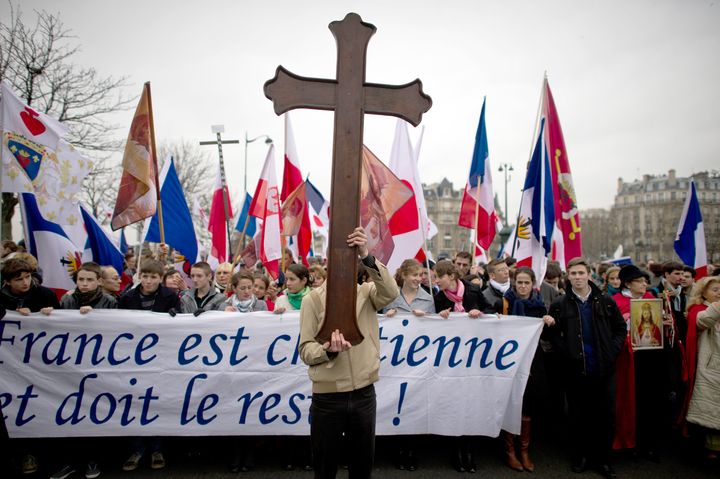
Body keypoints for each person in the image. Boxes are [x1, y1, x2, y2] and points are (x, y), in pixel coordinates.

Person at [299, 226, 398, 479]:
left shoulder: (366, 293)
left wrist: (367, 254)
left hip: (364, 393)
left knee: (362, 466)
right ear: (327, 263)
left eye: (349, 258)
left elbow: (390, 292)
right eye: (336, 258)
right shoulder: (312, 300)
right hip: (327, 397)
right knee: (324, 466)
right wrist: (326, 351)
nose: (342, 264)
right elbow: (305, 349)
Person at [547, 257, 626, 479]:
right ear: (567, 276)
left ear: (589, 275)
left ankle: (603, 460)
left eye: (581, 273)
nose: (578, 277)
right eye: (573, 274)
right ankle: (581, 456)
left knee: (604, 416)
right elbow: (552, 335)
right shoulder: (560, 304)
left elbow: (620, 329)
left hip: (603, 368)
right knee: (578, 415)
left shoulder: (606, 301)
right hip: (576, 369)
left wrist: (611, 351)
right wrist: (566, 352)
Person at [50, 262, 117, 479]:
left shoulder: (109, 301)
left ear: (99, 281)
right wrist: (47, 315)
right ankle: (68, 462)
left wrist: (95, 316)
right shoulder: (67, 300)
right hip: (71, 365)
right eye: (81, 280)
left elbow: (118, 330)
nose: (85, 284)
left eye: (90, 280)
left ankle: (93, 460)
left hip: (99, 365)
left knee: (93, 412)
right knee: (68, 412)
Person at [433, 260, 493, 473]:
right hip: (452, 359)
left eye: (439, 276)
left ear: (450, 276)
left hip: (475, 356)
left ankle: (469, 450)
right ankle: (456, 451)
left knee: (470, 403)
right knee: (455, 404)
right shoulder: (439, 298)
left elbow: (490, 309)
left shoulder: (473, 290)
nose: (436, 280)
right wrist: (439, 317)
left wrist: (478, 311)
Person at [119, 260, 180, 471]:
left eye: (153, 277)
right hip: (134, 359)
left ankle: (156, 448)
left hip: (161, 358)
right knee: (135, 402)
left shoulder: (170, 296)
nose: (148, 281)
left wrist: (175, 317)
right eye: (144, 276)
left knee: (155, 402)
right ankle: (137, 449)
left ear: (160, 278)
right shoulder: (127, 298)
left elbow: (181, 324)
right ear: (139, 276)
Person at [499, 267, 555, 473]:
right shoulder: (504, 303)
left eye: (526, 283)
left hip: (532, 362)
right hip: (509, 362)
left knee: (528, 405)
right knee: (511, 403)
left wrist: (549, 323)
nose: (522, 286)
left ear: (533, 284)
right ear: (514, 283)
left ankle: (524, 450)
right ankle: (510, 451)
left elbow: (546, 338)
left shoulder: (540, 307)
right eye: (519, 282)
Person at [382, 258, 435, 471]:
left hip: (418, 360)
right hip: (395, 359)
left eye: (421, 275)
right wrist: (387, 315)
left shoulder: (428, 298)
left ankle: (411, 449)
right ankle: (398, 449)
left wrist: (428, 318)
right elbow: (380, 324)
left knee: (413, 402)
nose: (418, 279)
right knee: (396, 402)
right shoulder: (391, 297)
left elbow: (436, 331)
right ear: (403, 276)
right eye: (414, 275)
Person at [612, 264, 661, 459]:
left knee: (648, 401)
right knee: (627, 400)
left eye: (645, 280)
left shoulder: (651, 300)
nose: (644, 284)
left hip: (650, 357)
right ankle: (626, 442)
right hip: (626, 359)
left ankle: (647, 444)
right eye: (639, 281)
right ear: (627, 283)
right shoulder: (615, 302)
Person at [685, 276, 720, 461]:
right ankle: (708, 449)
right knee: (710, 411)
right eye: (715, 289)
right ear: (703, 292)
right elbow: (704, 321)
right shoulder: (699, 310)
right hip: (709, 367)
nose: (719, 292)